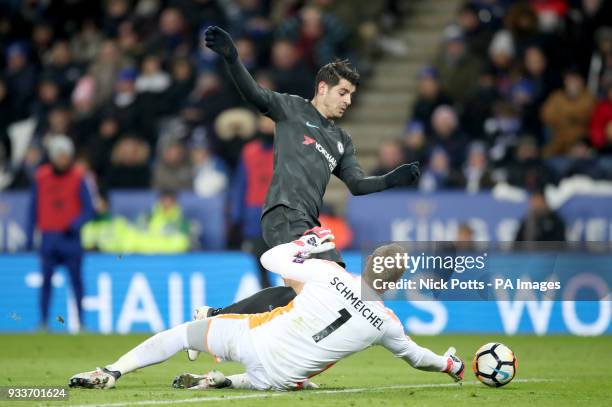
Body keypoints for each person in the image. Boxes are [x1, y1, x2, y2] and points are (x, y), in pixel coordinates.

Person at [190, 26, 420, 322]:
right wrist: (233, 58)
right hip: (284, 212)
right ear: (322, 88)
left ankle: (215, 316)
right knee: (317, 292)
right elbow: (253, 93)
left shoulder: (341, 139)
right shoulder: (292, 109)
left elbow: (357, 185)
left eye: (351, 94)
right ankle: (218, 319)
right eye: (343, 92)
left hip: (310, 224)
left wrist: (391, 179)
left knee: (330, 290)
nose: (348, 101)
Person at [68, 228, 464, 390]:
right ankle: (223, 381)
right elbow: (419, 359)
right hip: (280, 380)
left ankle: (111, 371)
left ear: (369, 261)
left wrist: (307, 244)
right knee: (296, 373)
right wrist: (451, 366)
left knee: (180, 336)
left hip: (252, 340)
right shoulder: (388, 325)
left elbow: (270, 259)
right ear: (393, 283)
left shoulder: (329, 272)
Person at [26, 135, 96, 330]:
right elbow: (33, 208)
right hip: (49, 238)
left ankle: (81, 323)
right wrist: (30, 235)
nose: (63, 160)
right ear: (53, 157)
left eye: (66, 156)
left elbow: (90, 209)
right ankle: (43, 322)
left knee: (76, 283)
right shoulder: (41, 177)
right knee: (46, 282)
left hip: (71, 240)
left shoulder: (78, 177)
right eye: (59, 156)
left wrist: (75, 224)